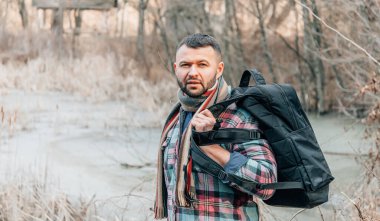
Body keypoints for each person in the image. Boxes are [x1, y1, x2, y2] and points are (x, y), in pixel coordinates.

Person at [154, 33, 277, 221]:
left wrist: (210, 146)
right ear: (176, 68)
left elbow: (267, 184)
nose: (193, 72)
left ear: (219, 69)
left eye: (202, 65)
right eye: (186, 65)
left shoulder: (238, 116)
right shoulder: (175, 119)